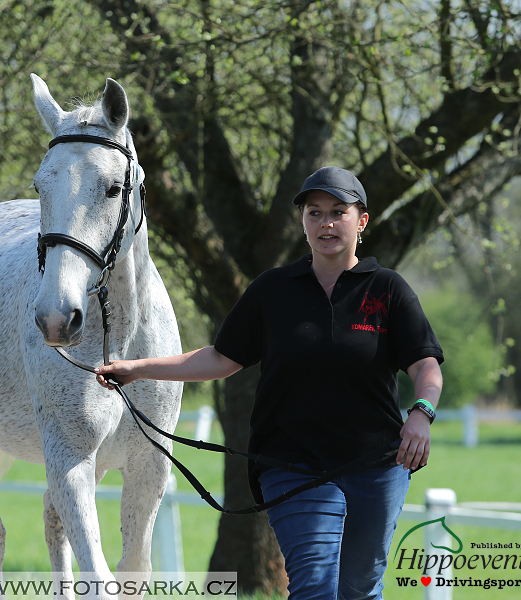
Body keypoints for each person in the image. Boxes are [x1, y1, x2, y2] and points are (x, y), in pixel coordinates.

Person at [96, 167, 443, 600]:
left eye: (338, 212)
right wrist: (138, 368)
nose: (326, 223)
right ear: (303, 222)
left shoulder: (388, 289)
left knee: (361, 587)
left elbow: (425, 364)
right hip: (291, 464)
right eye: (315, 213)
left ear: (362, 220)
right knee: (314, 585)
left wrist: (422, 413)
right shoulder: (273, 290)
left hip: (376, 467)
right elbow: (221, 359)